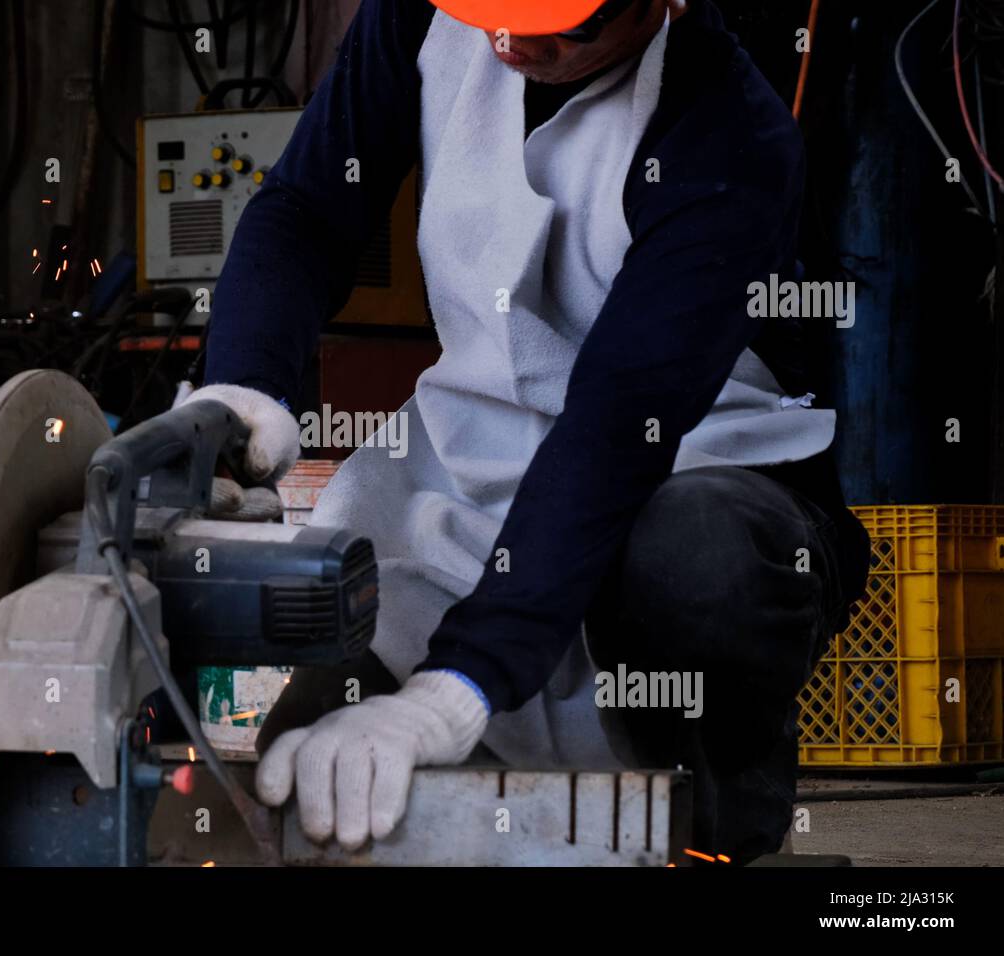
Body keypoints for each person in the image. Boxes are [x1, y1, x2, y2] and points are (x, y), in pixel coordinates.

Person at [183, 0, 872, 864]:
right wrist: (245, 388)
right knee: (305, 788)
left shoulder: (731, 135)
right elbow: (307, 211)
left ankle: (712, 825)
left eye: (564, 24)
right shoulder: (417, 21)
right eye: (491, 10)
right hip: (453, 500)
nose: (511, 42)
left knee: (700, 564)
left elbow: (617, 429)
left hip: (688, 480)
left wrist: (452, 692)